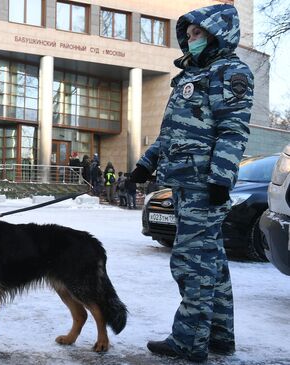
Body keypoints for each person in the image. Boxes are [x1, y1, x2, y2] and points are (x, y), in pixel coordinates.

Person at [129, 4, 253, 362]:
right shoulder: (187, 77)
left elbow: (233, 130)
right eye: (188, 33)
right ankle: (218, 336)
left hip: (203, 185)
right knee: (211, 261)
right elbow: (170, 135)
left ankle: (188, 341)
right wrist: (143, 167)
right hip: (184, 183)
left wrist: (220, 179)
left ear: (217, 34)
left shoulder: (229, 71)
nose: (189, 38)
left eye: (197, 33)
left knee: (191, 263)